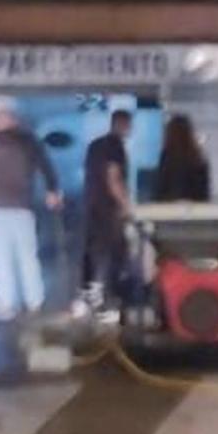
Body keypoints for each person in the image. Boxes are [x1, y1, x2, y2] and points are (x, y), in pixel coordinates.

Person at [0, 108, 61, 319]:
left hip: (0, 207)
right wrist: (52, 191)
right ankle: (34, 303)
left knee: (4, 257)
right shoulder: (28, 142)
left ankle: (9, 305)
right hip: (20, 207)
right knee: (26, 256)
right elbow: (46, 167)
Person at [83, 109, 135, 307]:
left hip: (92, 206)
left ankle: (93, 296)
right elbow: (113, 178)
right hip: (109, 209)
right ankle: (111, 298)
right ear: (122, 124)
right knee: (115, 254)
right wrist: (126, 205)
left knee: (96, 253)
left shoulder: (95, 145)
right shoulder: (115, 146)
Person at [153, 114, 211, 203]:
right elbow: (204, 192)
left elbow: (160, 186)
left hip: (169, 208)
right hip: (195, 209)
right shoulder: (198, 157)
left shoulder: (167, 156)